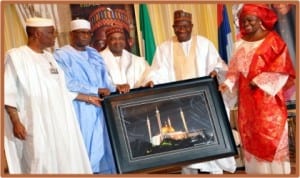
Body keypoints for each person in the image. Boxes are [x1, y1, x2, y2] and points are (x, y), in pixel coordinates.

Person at [144, 10, 236, 174]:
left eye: (185, 26)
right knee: (186, 143)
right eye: (178, 26)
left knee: (209, 139)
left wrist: (216, 72)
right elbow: (156, 71)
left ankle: (214, 171)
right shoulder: (164, 48)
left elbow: (219, 66)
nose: (182, 30)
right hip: (179, 105)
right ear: (173, 27)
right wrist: (151, 80)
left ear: (191, 26)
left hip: (204, 103)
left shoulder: (204, 43)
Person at [4, 17, 92, 174]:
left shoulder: (50, 58)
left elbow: (60, 90)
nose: (55, 35)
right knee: (38, 163)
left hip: (59, 124)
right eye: (51, 32)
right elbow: (7, 92)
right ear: (37, 34)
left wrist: (87, 97)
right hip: (34, 123)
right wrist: (16, 122)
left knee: (64, 161)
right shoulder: (16, 57)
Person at [219, 4, 295, 174]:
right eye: (243, 21)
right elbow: (234, 71)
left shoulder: (274, 40)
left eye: (250, 20)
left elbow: (283, 68)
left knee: (270, 140)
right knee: (252, 139)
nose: (246, 24)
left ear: (260, 20)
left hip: (269, 103)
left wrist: (260, 80)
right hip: (247, 104)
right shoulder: (239, 44)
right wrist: (228, 83)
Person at [53, 19, 128, 174]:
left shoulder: (93, 53)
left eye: (88, 33)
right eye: (82, 33)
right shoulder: (61, 55)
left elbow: (105, 80)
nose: (86, 36)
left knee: (105, 147)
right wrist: (95, 90)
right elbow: (67, 83)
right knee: (86, 147)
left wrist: (116, 87)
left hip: (101, 107)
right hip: (81, 107)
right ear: (72, 35)